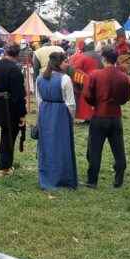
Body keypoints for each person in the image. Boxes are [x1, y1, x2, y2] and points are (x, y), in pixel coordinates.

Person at [82, 48, 130, 188]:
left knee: (95, 149)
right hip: (115, 115)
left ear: (103, 58)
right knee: (118, 149)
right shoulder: (123, 76)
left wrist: (95, 103)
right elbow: (127, 96)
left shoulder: (95, 75)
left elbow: (87, 94)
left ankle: (92, 180)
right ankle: (119, 179)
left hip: (99, 115)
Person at [35, 52, 78, 190]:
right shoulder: (65, 79)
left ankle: (48, 176)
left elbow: (38, 100)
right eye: (65, 61)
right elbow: (71, 103)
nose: (67, 64)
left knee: (47, 145)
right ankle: (62, 178)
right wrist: (71, 118)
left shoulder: (40, 78)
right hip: (60, 114)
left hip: (45, 112)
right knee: (61, 145)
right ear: (59, 63)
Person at [0, 44, 28, 177]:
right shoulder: (15, 70)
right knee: (8, 137)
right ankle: (4, 167)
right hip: (10, 107)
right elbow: (19, 95)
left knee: (5, 135)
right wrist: (22, 114)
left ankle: (5, 165)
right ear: (17, 55)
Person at [69, 40, 101, 125]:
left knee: (85, 99)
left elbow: (75, 69)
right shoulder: (100, 56)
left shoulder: (82, 57)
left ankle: (88, 117)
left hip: (86, 80)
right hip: (98, 79)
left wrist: (77, 82)